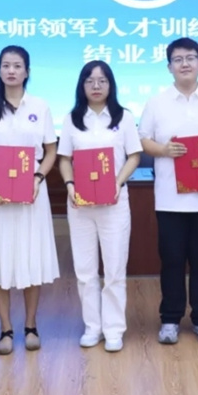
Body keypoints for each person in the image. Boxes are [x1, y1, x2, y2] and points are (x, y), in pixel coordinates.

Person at [139, 37, 198, 345]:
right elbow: (142, 140)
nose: (185, 64)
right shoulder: (157, 102)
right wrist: (164, 150)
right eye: (178, 59)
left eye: (191, 58)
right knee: (171, 259)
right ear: (169, 66)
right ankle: (170, 319)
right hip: (170, 198)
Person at [0, 45, 60, 354]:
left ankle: (31, 325)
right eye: (6, 65)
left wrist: (37, 178)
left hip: (31, 192)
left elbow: (51, 151)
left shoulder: (40, 106)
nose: (11, 70)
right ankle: (5, 329)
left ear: (27, 71)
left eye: (17, 65)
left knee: (30, 256)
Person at [57, 61, 142, 353]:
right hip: (79, 205)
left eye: (102, 81)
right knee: (85, 270)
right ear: (82, 85)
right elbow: (64, 159)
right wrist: (69, 185)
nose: (96, 86)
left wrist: (117, 182)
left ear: (110, 85)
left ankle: (114, 329)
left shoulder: (124, 117)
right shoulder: (72, 119)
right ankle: (92, 327)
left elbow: (134, 155)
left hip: (114, 203)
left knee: (115, 269)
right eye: (90, 80)